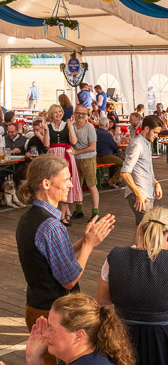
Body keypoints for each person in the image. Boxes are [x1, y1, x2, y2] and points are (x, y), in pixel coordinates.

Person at [16, 155, 114, 365]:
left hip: (35, 305)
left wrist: (84, 240)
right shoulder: (51, 225)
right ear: (46, 184)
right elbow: (69, 279)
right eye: (66, 179)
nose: (71, 184)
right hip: (53, 314)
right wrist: (89, 245)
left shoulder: (28, 217)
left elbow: (55, 254)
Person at [97, 207, 168, 365]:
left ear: (140, 230)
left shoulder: (115, 257)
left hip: (123, 337)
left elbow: (103, 299)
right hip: (165, 340)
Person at [25, 293, 135, 365]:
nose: (45, 334)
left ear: (79, 335)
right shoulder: (96, 354)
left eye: (52, 329)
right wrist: (33, 358)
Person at [120, 115, 164, 225]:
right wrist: (138, 194)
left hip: (146, 192)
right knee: (149, 228)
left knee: (142, 228)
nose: (157, 136)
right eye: (155, 132)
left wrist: (156, 183)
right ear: (146, 129)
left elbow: (144, 168)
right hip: (140, 193)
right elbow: (125, 173)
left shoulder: (145, 143)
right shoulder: (138, 145)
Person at [43, 104, 81, 226]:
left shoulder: (67, 125)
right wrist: (45, 130)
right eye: (55, 112)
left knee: (65, 183)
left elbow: (74, 141)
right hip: (53, 156)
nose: (58, 114)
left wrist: (70, 127)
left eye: (60, 111)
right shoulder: (48, 127)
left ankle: (62, 216)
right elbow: (46, 145)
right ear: (51, 114)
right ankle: (66, 214)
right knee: (56, 184)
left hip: (66, 156)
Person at [70, 104, 100, 222]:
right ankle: (79, 210)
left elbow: (93, 147)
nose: (81, 115)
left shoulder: (90, 127)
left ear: (87, 115)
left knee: (91, 185)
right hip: (75, 158)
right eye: (79, 113)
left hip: (88, 158)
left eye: (83, 113)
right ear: (75, 114)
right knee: (77, 185)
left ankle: (95, 212)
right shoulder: (71, 126)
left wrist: (76, 152)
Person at [96, 117, 123, 189]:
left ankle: (115, 179)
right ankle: (113, 180)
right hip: (106, 156)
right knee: (124, 164)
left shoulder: (95, 132)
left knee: (116, 162)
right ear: (107, 125)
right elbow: (115, 146)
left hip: (96, 157)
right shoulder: (107, 135)